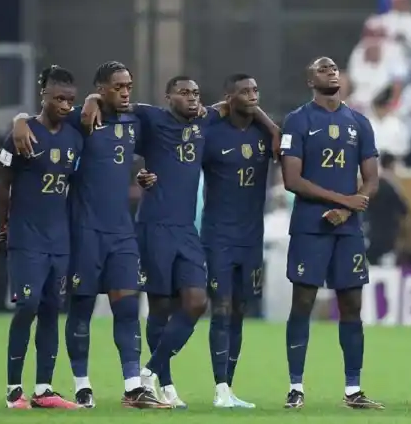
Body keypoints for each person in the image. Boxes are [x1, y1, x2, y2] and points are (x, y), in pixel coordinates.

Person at [80, 74, 278, 408]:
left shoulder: (204, 119)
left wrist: (272, 129)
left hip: (186, 229)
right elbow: (115, 112)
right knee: (160, 307)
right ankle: (167, 386)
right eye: (184, 93)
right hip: (155, 225)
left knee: (196, 302)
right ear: (168, 97)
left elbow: (238, 102)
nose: (192, 98)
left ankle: (149, 372)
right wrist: (90, 100)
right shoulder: (151, 117)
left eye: (196, 93)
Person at [10, 62, 165, 409]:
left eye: (128, 86)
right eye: (117, 87)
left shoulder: (134, 122)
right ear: (100, 89)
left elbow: (137, 157)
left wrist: (145, 175)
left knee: (128, 308)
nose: (125, 92)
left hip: (122, 232)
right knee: (81, 310)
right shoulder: (79, 119)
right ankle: (82, 384)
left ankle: (133, 387)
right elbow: (42, 118)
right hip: (84, 231)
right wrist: (19, 120)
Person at [279, 56, 382, 409]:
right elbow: (292, 180)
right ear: (311, 81)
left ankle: (353, 389)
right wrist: (343, 200)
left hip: (348, 228)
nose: (331, 72)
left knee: (351, 305)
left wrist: (349, 208)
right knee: (303, 303)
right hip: (310, 226)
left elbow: (372, 179)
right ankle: (296, 387)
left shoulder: (359, 122)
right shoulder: (297, 120)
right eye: (322, 69)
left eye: (334, 68)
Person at [0, 66, 84, 409]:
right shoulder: (21, 135)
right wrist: (2, 227)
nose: (65, 105)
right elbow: (2, 183)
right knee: (27, 306)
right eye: (58, 98)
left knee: (50, 310)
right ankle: (13, 390)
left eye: (70, 100)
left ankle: (44, 389)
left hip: (59, 240)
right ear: (43, 95)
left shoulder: (75, 136)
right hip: (26, 237)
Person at [201, 74, 271, 408]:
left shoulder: (263, 133)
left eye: (255, 90)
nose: (253, 95)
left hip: (251, 237)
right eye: (244, 92)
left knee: (241, 311)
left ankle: (228, 387)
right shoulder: (212, 133)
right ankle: (219, 388)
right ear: (229, 98)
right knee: (221, 307)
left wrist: (265, 120)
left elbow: (282, 142)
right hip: (219, 236)